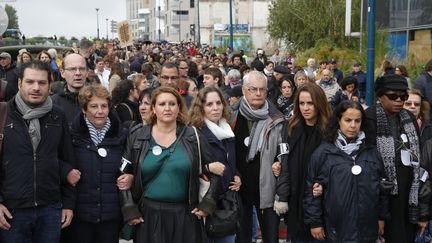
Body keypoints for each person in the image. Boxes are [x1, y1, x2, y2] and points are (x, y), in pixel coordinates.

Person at [120, 86, 220, 243]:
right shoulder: (138, 136)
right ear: (153, 107)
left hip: (186, 216)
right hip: (148, 216)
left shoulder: (193, 136)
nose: (167, 108)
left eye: (172, 104)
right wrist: (129, 207)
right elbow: (123, 175)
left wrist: (208, 203)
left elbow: (217, 171)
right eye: (161, 104)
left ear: (179, 107)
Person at [0, 60, 77, 242]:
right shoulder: (3, 114)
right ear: (19, 83)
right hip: (12, 211)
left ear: (50, 86)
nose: (36, 87)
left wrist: (68, 204)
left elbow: (68, 161)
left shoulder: (58, 115)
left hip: (50, 209)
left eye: (42, 83)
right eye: (30, 82)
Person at [304, 100, 389, 242]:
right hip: (337, 229)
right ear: (339, 120)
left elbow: (382, 188)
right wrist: (315, 222)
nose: (353, 125)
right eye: (348, 120)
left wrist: (381, 217)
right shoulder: (324, 153)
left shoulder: (371, 151)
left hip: (367, 229)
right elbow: (311, 190)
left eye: (357, 120)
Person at [364, 74, 427, 243]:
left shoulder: (409, 117)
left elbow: (419, 158)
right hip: (383, 194)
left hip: (408, 193)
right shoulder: (369, 118)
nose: (399, 100)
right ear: (380, 96)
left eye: (403, 96)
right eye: (393, 96)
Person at [64, 85, 128, 243]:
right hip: (81, 214)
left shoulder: (122, 135)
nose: (100, 111)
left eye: (104, 106)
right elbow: (57, 160)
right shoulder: (71, 134)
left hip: (111, 215)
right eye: (93, 106)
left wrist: (129, 175)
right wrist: (65, 171)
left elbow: (130, 163)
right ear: (84, 109)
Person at [230, 71, 285, 243]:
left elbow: (283, 151)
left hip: (267, 189)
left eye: (262, 89)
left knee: (270, 237)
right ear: (244, 91)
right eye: (253, 89)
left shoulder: (276, 118)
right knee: (242, 237)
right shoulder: (231, 116)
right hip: (238, 190)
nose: (258, 93)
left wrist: (279, 163)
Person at [274, 83, 331, 242]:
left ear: (319, 103)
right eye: (301, 103)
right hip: (295, 200)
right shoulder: (291, 127)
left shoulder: (329, 132)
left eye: (310, 103)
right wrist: (277, 162)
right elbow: (284, 157)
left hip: (319, 201)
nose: (305, 108)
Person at [189, 86, 241, 243]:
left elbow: (230, 161)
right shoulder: (195, 133)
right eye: (209, 104)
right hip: (204, 201)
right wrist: (206, 168)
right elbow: (186, 164)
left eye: (218, 103)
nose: (215, 108)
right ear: (201, 107)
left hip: (227, 203)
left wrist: (237, 175)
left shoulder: (227, 130)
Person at [53, 53, 89, 124]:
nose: (78, 73)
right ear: (62, 73)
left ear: (87, 72)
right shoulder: (53, 103)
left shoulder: (100, 100)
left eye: (82, 69)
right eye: (72, 69)